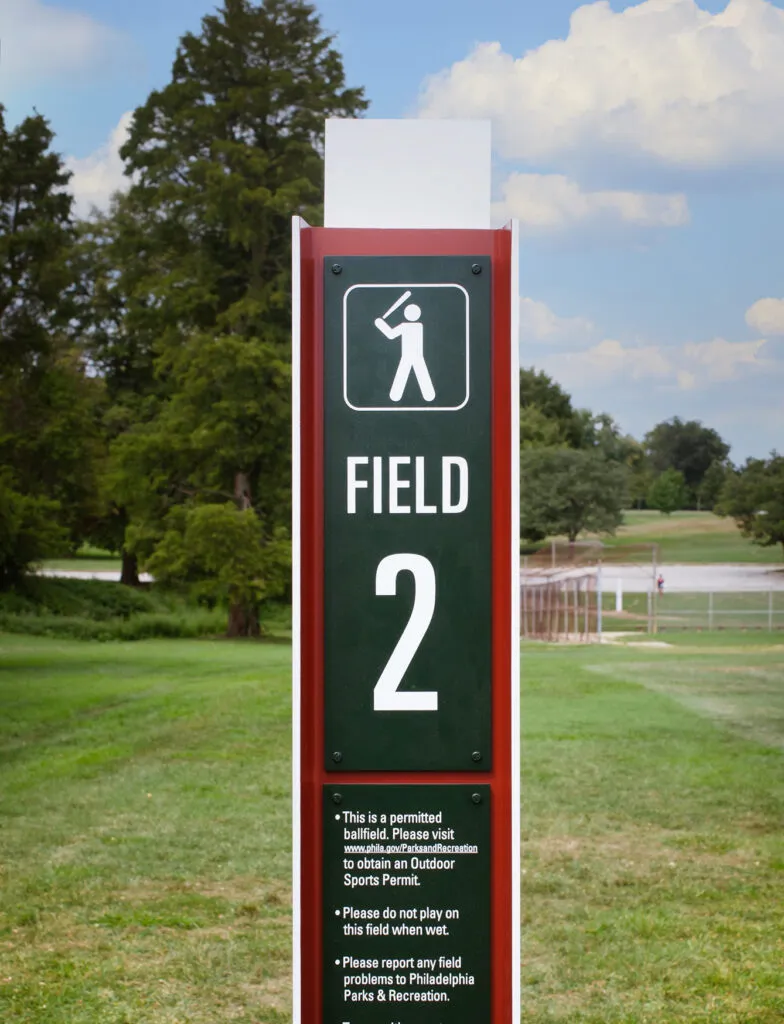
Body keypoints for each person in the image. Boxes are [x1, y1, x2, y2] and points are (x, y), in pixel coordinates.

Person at [374, 302, 436, 403]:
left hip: (410, 356)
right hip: (414, 356)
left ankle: (397, 396)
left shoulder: (406, 326)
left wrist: (380, 323)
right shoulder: (419, 326)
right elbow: (391, 335)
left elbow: (390, 334)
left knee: (405, 373)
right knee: (419, 373)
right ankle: (428, 396)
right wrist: (380, 323)